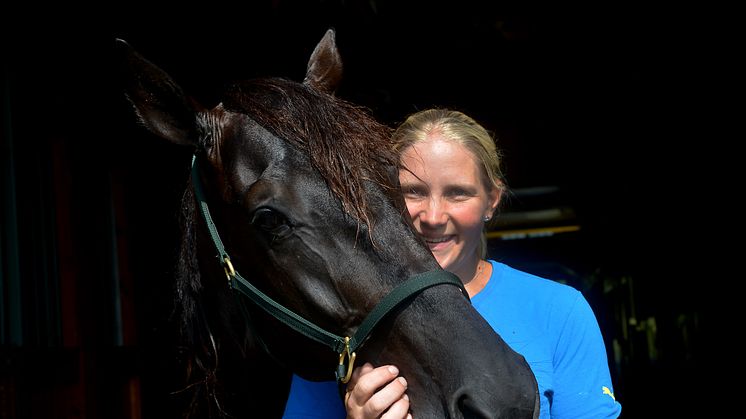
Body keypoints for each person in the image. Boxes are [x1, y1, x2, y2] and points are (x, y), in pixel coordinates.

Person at [282, 108, 622, 418]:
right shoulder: (337, 318)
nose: (433, 216)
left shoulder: (558, 311)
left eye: (458, 193)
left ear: (491, 201)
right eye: (413, 191)